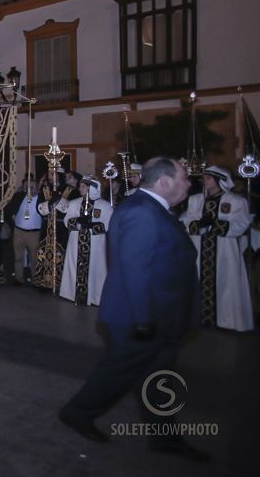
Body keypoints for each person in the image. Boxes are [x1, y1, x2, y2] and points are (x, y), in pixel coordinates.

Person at [59, 157, 208, 462]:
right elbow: (134, 269)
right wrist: (143, 319)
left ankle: (164, 438)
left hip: (159, 313)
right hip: (139, 316)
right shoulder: (142, 211)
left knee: (158, 379)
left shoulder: (151, 208)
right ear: (164, 182)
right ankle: (77, 412)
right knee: (119, 373)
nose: (189, 183)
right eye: (183, 177)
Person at [181, 165, 254, 331]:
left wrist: (215, 225)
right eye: (203, 178)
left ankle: (227, 320)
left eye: (208, 178)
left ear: (219, 180)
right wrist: (197, 224)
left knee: (226, 281)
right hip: (200, 247)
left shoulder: (236, 201)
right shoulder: (196, 200)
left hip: (224, 249)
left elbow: (241, 223)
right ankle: (200, 318)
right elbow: (187, 219)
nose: (204, 181)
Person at [59, 177, 111, 306]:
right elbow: (67, 220)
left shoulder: (104, 205)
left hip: (95, 244)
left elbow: (108, 224)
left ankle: (95, 296)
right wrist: (78, 223)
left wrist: (91, 226)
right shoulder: (74, 203)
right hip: (76, 242)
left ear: (90, 187)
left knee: (95, 269)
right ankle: (72, 294)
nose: (80, 188)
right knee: (75, 267)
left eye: (83, 186)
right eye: (80, 185)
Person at [5, 179, 43, 285]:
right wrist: (12, 217)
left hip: (34, 234)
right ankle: (18, 278)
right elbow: (9, 208)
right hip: (19, 232)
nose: (29, 190)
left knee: (34, 258)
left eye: (32, 187)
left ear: (37, 188)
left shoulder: (41, 199)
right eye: (27, 187)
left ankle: (36, 279)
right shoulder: (19, 197)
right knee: (18, 257)